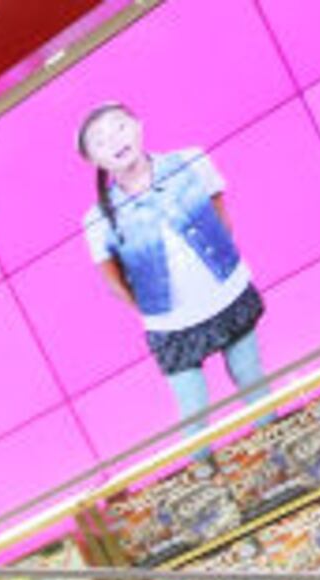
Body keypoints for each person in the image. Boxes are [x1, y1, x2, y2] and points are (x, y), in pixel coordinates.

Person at [80, 101, 266, 421]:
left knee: (250, 378)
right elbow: (114, 283)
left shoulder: (190, 160)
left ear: (138, 125)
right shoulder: (97, 218)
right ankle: (202, 471)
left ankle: (282, 448)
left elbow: (222, 216)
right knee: (193, 410)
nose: (114, 141)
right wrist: (158, 309)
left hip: (227, 295)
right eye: (100, 140)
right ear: (92, 159)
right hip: (171, 325)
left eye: (120, 127)